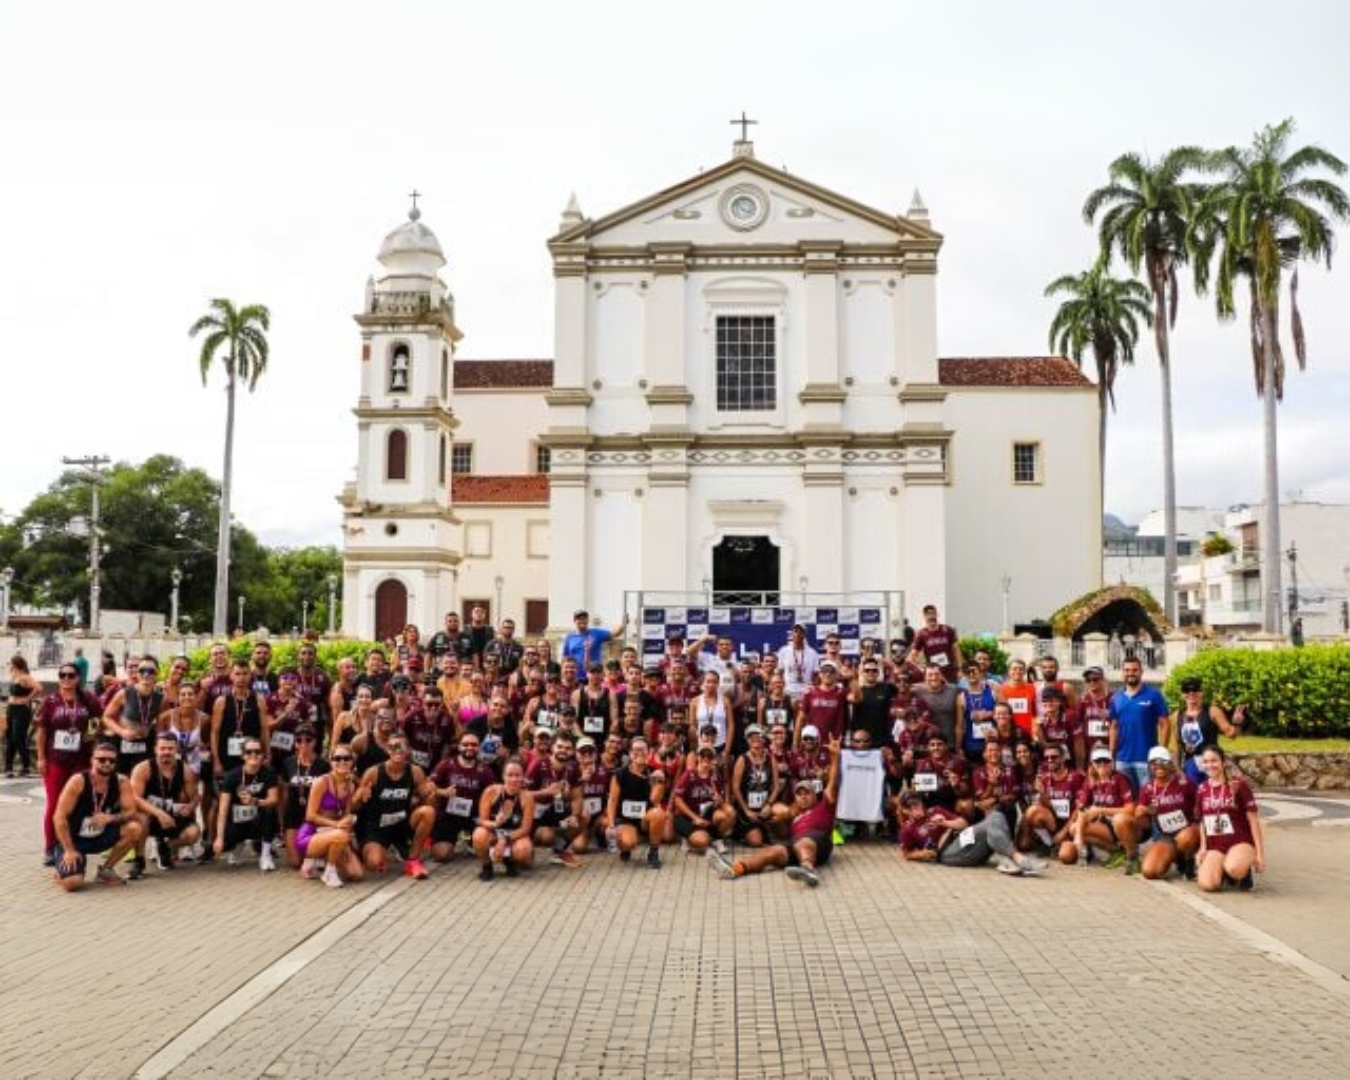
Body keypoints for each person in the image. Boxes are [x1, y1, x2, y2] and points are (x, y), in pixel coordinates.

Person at [708, 735, 842, 888]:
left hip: (819, 842)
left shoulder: (824, 806)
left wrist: (835, 758)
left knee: (803, 843)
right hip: (796, 844)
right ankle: (734, 869)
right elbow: (782, 828)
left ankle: (808, 870)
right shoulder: (795, 817)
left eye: (807, 793)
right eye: (799, 794)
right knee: (772, 851)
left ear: (815, 796)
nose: (803, 797)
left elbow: (832, 782)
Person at [51, 739, 144, 890]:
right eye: (101, 759)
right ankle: (64, 871)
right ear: (92, 761)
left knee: (135, 828)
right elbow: (59, 817)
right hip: (74, 839)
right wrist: (69, 850)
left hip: (101, 834)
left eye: (111, 760)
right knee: (72, 884)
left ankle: (106, 870)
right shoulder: (78, 781)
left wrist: (111, 818)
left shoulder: (121, 781)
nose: (107, 763)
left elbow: (131, 811)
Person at [35, 663, 104, 862]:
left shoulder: (88, 699)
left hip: (81, 760)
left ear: (78, 678)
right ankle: (50, 847)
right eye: (62, 675)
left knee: (79, 804)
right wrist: (40, 758)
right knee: (54, 803)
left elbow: (97, 723)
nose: (66, 679)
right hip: (56, 760)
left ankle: (74, 843)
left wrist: (87, 737)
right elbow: (41, 732)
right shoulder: (50, 701)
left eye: (70, 675)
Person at [898, 793, 1046, 876]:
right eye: (911, 807)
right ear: (905, 811)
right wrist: (923, 854)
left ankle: (1009, 859)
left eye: (917, 803)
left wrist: (945, 823)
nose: (917, 808)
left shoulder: (935, 810)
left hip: (960, 839)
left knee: (996, 816)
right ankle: (1019, 859)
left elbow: (963, 823)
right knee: (987, 828)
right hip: (946, 853)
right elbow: (906, 853)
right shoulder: (908, 829)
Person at [353, 735, 435, 878]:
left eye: (401, 747)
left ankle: (413, 860)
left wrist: (431, 793)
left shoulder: (416, 772)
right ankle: (378, 851)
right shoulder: (373, 772)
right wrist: (360, 796)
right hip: (377, 826)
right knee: (374, 862)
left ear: (408, 750)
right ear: (387, 750)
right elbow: (354, 807)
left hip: (402, 823)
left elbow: (426, 798)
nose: (398, 751)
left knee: (428, 812)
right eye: (393, 747)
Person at [1195, 745, 1265, 893]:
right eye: (1206, 762)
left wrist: (1260, 855)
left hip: (1240, 841)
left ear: (1223, 762)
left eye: (1214, 761)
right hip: (1217, 845)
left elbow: (1253, 820)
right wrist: (1203, 847)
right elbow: (1202, 821)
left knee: (1234, 868)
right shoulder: (1201, 789)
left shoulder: (1238, 785)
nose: (1210, 765)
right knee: (1207, 885)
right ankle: (1223, 869)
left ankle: (1242, 873)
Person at [130, 732, 201, 873]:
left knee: (193, 833)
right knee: (139, 821)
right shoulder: (143, 769)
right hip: (150, 814)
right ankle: (138, 860)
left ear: (177, 750)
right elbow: (135, 797)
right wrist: (159, 813)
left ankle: (166, 846)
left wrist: (190, 806)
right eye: (162, 748)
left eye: (170, 748)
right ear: (155, 749)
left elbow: (196, 796)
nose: (166, 752)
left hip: (172, 814)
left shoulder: (186, 771)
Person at [297, 744, 364, 888]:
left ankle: (318, 860)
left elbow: (345, 815)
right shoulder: (322, 782)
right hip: (310, 835)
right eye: (337, 758)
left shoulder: (350, 785)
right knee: (341, 835)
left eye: (347, 758)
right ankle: (329, 870)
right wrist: (337, 826)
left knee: (356, 874)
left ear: (352, 761)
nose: (342, 762)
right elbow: (310, 816)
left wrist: (348, 821)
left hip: (334, 833)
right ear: (330, 761)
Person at [214, 738, 282, 871]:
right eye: (249, 751)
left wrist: (256, 801)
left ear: (263, 754)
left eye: (257, 751)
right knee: (221, 846)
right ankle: (237, 845)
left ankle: (265, 854)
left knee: (270, 810)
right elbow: (222, 810)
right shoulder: (232, 776)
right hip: (236, 821)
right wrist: (219, 838)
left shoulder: (269, 773)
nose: (254, 755)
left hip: (258, 819)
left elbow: (274, 799)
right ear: (242, 755)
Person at [429, 733, 497, 863]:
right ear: (459, 746)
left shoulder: (485, 770)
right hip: (448, 816)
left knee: (487, 847)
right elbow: (428, 786)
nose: (469, 748)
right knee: (442, 855)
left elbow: (493, 795)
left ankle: (470, 841)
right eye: (465, 744)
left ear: (479, 747)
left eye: (474, 745)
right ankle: (453, 841)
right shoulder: (446, 764)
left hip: (473, 817)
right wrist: (442, 791)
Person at [1135, 746, 1201, 881]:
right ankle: (1177, 857)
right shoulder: (1147, 788)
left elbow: (1202, 800)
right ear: (1149, 766)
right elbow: (1139, 812)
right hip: (1165, 836)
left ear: (1170, 764)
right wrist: (1145, 810)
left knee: (1186, 837)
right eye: (1154, 762)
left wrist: (1198, 824)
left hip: (1187, 831)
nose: (1158, 765)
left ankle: (1188, 863)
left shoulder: (1184, 782)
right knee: (1149, 871)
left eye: (1163, 761)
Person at [1108, 658, 1170, 794]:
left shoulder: (1154, 694)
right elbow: (1114, 727)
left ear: (1141, 672)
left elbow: (1164, 724)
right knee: (1126, 801)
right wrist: (1112, 755)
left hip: (1146, 759)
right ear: (1122, 673)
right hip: (1122, 760)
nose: (1131, 673)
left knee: (1148, 800)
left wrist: (1161, 752)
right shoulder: (1116, 698)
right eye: (1127, 670)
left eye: (1134, 670)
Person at [1071, 746, 1138, 872]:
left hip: (1121, 825)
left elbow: (1130, 809)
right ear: (1093, 764)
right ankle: (1117, 851)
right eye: (1098, 761)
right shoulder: (1090, 781)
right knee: (1074, 829)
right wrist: (1078, 837)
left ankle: (1132, 856)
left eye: (1106, 761)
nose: (1102, 764)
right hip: (1104, 824)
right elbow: (1081, 808)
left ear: (1112, 763)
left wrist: (1101, 810)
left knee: (1119, 820)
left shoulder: (1120, 779)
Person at [606, 736, 667, 868]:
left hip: (644, 817)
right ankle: (625, 847)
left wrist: (660, 782)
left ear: (649, 752)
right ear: (629, 753)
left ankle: (653, 852)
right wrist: (611, 825)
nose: (639, 753)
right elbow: (612, 800)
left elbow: (654, 800)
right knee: (628, 843)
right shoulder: (619, 774)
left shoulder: (655, 773)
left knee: (659, 814)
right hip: (625, 818)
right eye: (635, 750)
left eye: (642, 750)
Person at [1020, 744, 1084, 863]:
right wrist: (1042, 793)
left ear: (1063, 758)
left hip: (1071, 825)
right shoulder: (1044, 778)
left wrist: (1063, 832)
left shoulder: (1076, 777)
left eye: (1054, 757)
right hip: (1054, 822)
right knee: (1033, 811)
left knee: (1066, 856)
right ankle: (1049, 844)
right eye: (1047, 758)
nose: (1050, 760)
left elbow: (1079, 809)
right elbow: (1042, 807)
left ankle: (1067, 845)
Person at [473, 760, 535, 880]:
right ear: (503, 776)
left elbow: (526, 829)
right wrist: (495, 823)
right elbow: (481, 820)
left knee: (524, 851)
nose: (514, 779)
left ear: (523, 777)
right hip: (493, 832)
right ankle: (487, 866)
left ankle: (509, 862)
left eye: (517, 775)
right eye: (510, 775)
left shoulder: (527, 797)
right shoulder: (491, 791)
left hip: (513, 835)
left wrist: (504, 839)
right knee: (479, 835)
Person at [1175, 677, 1245, 783]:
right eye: (1186, 690)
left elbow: (1231, 734)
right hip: (1191, 764)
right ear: (1182, 694)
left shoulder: (1212, 711)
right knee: (1194, 797)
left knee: (1215, 795)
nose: (1191, 693)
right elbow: (1177, 745)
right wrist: (1178, 769)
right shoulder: (1177, 715)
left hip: (1212, 761)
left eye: (1195, 690)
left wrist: (1237, 722)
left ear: (1201, 692)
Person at [278, 724, 329, 869]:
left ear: (315, 742)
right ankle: (310, 854)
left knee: (312, 859)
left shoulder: (323, 765)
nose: (303, 744)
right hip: (293, 816)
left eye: (308, 740)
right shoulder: (288, 763)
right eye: (299, 740)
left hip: (314, 817)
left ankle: (316, 853)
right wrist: (282, 822)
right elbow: (284, 795)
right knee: (295, 863)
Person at [672, 744, 735, 853]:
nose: (706, 759)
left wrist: (718, 799)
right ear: (698, 757)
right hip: (686, 816)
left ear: (713, 760)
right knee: (702, 841)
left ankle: (716, 837)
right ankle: (687, 838)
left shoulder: (715, 776)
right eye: (703, 755)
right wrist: (695, 817)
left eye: (709, 756)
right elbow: (677, 799)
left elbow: (719, 801)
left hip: (705, 814)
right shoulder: (689, 774)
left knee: (728, 813)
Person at [731, 724, 785, 846]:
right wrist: (746, 810)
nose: (755, 740)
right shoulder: (742, 759)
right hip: (747, 808)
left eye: (758, 736)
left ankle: (765, 827)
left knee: (784, 813)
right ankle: (744, 832)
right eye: (751, 737)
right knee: (756, 841)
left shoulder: (770, 758)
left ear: (763, 739)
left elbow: (776, 786)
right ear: (747, 740)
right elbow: (735, 787)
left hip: (764, 806)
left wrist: (769, 804)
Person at [907, 604, 962, 683]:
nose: (931, 616)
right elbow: (912, 655)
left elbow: (956, 650)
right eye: (928, 614)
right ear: (924, 616)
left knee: (951, 694)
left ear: (937, 614)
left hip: (950, 673)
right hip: (933, 675)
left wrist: (960, 668)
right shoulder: (921, 634)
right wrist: (919, 669)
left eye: (933, 613)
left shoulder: (948, 630)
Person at [5, 655, 40, 777]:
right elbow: (11, 694)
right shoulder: (14, 676)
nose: (9, 665)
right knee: (10, 737)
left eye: (11, 663)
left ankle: (26, 767)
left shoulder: (25, 677)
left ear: (16, 664)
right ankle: (8, 767)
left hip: (21, 710)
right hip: (11, 709)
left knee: (18, 737)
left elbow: (38, 688)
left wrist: (27, 699)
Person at [562, 609, 628, 669]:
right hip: (575, 675)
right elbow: (565, 657)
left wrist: (623, 624)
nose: (582, 621)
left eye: (584, 618)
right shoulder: (570, 637)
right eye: (579, 619)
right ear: (574, 621)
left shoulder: (596, 633)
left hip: (594, 674)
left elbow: (614, 634)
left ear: (587, 620)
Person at [776, 624, 819, 700]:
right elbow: (780, 672)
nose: (798, 634)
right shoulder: (784, 651)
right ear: (791, 634)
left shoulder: (813, 653)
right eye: (795, 631)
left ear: (805, 634)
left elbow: (816, 675)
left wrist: (812, 689)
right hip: (788, 691)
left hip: (806, 691)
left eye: (801, 632)